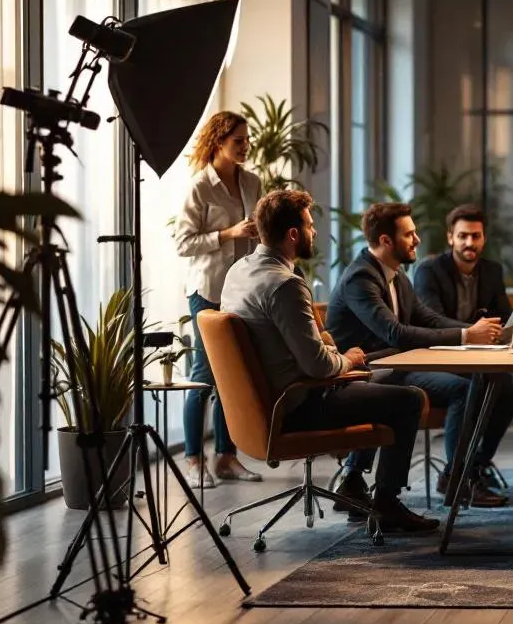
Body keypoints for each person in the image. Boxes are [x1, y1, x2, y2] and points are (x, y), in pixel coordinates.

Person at [218, 190, 438, 533]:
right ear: (293, 234)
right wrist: (347, 359)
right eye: (309, 225)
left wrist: (336, 354)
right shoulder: (284, 285)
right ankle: (387, 504)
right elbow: (319, 367)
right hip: (299, 402)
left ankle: (353, 481)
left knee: (387, 370)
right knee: (409, 399)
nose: (314, 231)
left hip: (269, 402)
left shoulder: (239, 271)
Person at [325, 202, 513, 508]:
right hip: (366, 371)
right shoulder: (361, 279)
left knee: (492, 383)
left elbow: (428, 319)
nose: (417, 240)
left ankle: (354, 480)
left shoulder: (396, 275)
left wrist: (474, 331)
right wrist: (468, 335)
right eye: (409, 234)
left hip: (397, 365)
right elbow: (396, 333)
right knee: (462, 390)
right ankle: (456, 479)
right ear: (386, 240)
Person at [172, 110, 263, 489]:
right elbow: (183, 243)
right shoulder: (200, 187)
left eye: (247, 140)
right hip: (208, 291)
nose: (245, 146)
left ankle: (227, 457)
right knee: (204, 375)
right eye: (238, 140)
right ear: (219, 142)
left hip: (241, 291)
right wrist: (227, 234)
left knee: (234, 374)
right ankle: (193, 459)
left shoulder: (253, 182)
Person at [412, 203, 513, 333]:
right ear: (450, 238)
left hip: (481, 344)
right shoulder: (429, 270)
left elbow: (503, 316)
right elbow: (434, 321)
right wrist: (474, 330)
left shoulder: (492, 271)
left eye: (476, 236)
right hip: (441, 343)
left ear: (484, 238)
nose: (470, 243)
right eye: (463, 236)